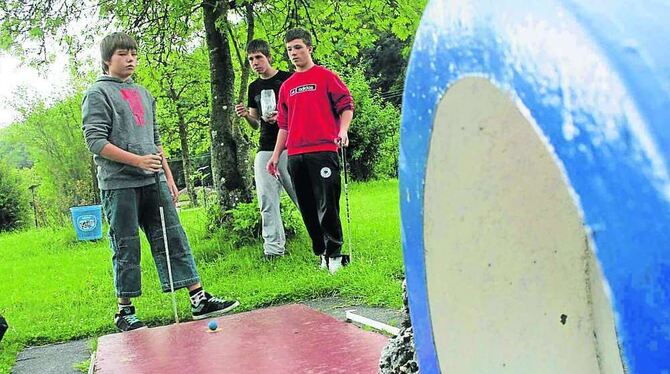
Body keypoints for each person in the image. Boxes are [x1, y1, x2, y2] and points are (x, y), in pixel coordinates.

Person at [81, 32, 239, 332]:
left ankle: (198, 299)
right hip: (119, 184)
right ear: (107, 59)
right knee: (126, 245)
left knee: (172, 237)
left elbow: (154, 140)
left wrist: (167, 175)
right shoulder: (97, 94)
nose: (130, 59)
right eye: (123, 54)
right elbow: (95, 141)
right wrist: (137, 161)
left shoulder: (143, 93)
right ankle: (125, 312)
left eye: (134, 54)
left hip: (153, 181)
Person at [266, 28, 354, 274]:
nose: (293, 53)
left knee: (328, 204)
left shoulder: (326, 76)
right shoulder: (287, 87)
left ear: (309, 49)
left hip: (324, 150)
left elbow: (346, 106)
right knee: (307, 206)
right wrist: (275, 156)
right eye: (289, 49)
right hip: (295, 155)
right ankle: (322, 253)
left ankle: (335, 253)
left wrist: (343, 131)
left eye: (298, 47)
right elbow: (284, 125)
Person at [235, 39, 298, 259]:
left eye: (258, 57)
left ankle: (323, 241)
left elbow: (299, 112)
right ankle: (273, 250)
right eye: (251, 59)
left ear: (269, 57)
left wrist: (282, 117)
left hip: (291, 145)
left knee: (301, 196)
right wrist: (246, 116)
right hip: (265, 148)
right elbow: (255, 124)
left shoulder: (287, 79)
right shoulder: (254, 87)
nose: (255, 62)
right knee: (266, 199)